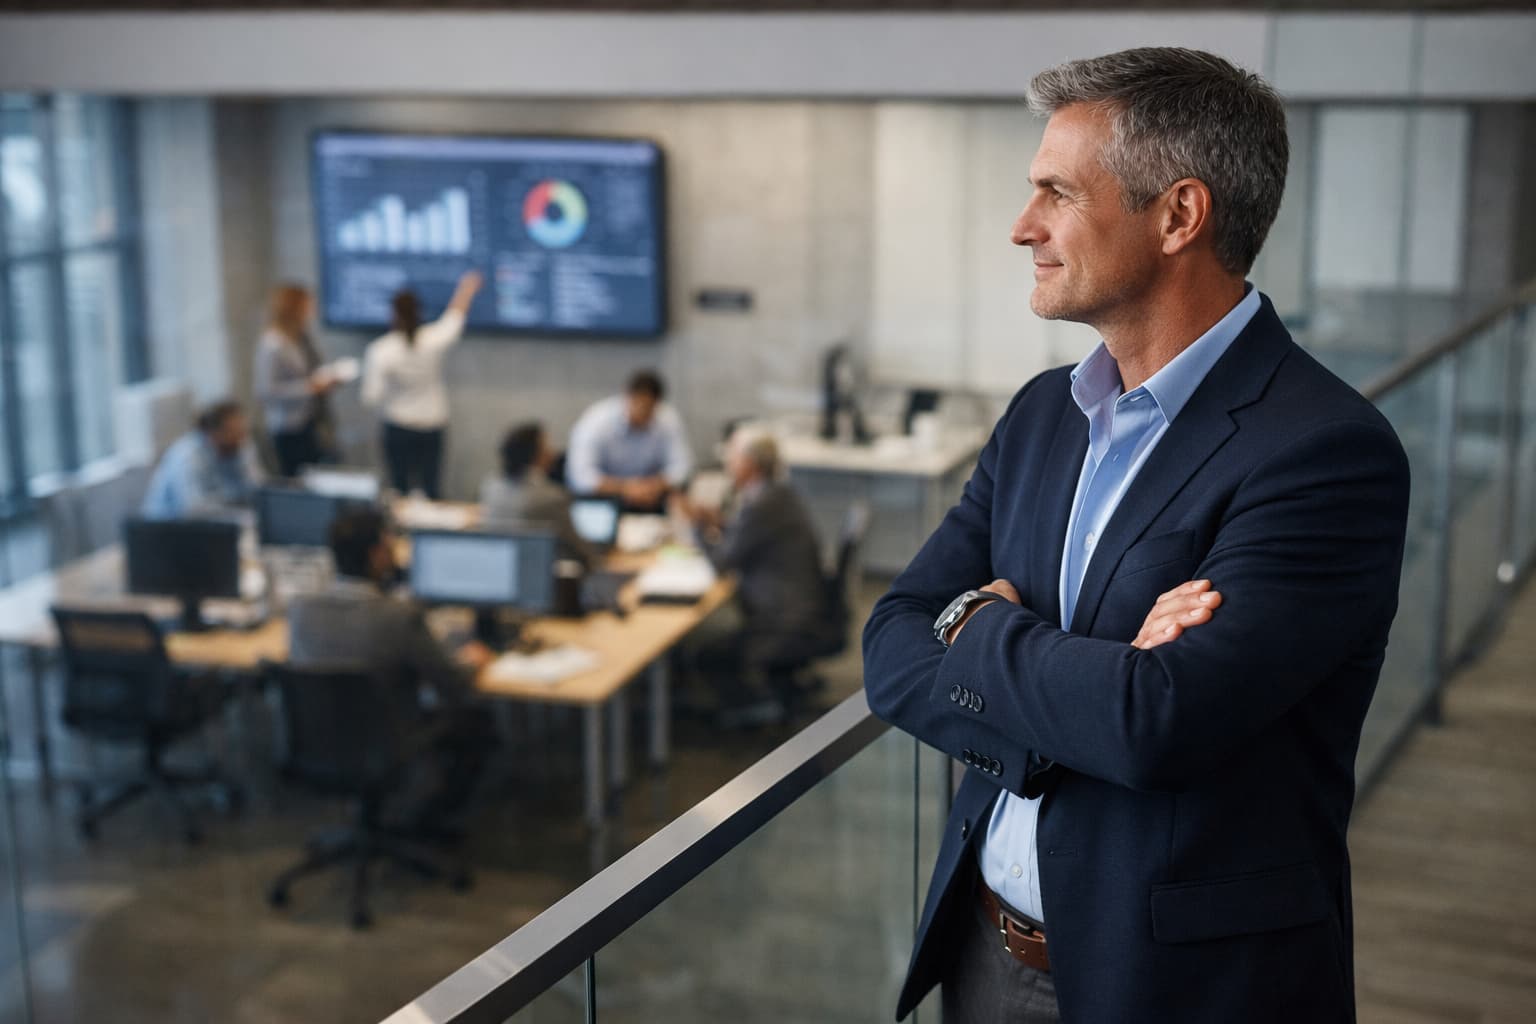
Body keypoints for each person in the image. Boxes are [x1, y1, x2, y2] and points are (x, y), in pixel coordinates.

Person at [862, 48, 1410, 1024]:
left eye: (1057, 194)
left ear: (1178, 215)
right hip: (983, 950)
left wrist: (979, 633)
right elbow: (891, 646)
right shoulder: (1042, 414)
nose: (1022, 227)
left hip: (1186, 985)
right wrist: (1094, 676)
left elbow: (1155, 723)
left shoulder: (1326, 452)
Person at [286, 507, 495, 833]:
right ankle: (431, 823)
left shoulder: (299, 610)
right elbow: (452, 685)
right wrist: (475, 661)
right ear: (376, 555)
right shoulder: (397, 617)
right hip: (388, 744)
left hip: (321, 745)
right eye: (389, 545)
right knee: (478, 723)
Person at [683, 426, 833, 719]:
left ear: (749, 464)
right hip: (799, 608)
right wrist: (721, 524)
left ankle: (754, 707)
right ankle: (775, 691)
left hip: (782, 619)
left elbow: (722, 563)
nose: (728, 464)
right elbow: (749, 537)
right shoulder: (779, 495)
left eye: (732, 458)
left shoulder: (762, 505)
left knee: (705, 656)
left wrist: (696, 527)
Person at [362, 270, 482, 499]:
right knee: (431, 488)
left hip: (398, 426)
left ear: (392, 314)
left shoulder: (381, 350)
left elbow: (371, 397)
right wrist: (467, 288)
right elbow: (454, 317)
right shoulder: (433, 340)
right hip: (431, 425)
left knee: (399, 489)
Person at [565, 369, 692, 512]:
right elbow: (582, 478)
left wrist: (653, 485)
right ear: (626, 397)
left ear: (658, 405)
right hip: (604, 502)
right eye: (638, 405)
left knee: (678, 502)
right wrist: (626, 488)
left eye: (649, 409)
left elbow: (682, 468)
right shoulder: (595, 423)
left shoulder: (667, 419)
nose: (642, 413)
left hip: (652, 499)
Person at [480, 421, 598, 564]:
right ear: (536, 454)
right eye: (546, 447)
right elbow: (581, 550)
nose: (552, 453)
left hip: (500, 569)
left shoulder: (491, 488)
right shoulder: (552, 497)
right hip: (544, 576)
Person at [254, 282, 337, 477]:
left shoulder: (299, 337)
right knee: (297, 480)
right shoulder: (272, 344)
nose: (311, 311)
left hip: (309, 419)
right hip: (287, 425)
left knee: (317, 474)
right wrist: (310, 388)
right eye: (307, 306)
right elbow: (265, 391)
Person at [140, 399, 264, 519]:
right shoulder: (187, 456)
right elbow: (193, 510)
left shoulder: (238, 447)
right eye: (233, 432)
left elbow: (257, 490)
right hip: (168, 529)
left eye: (242, 432)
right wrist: (239, 513)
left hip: (215, 525)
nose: (240, 438)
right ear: (212, 432)